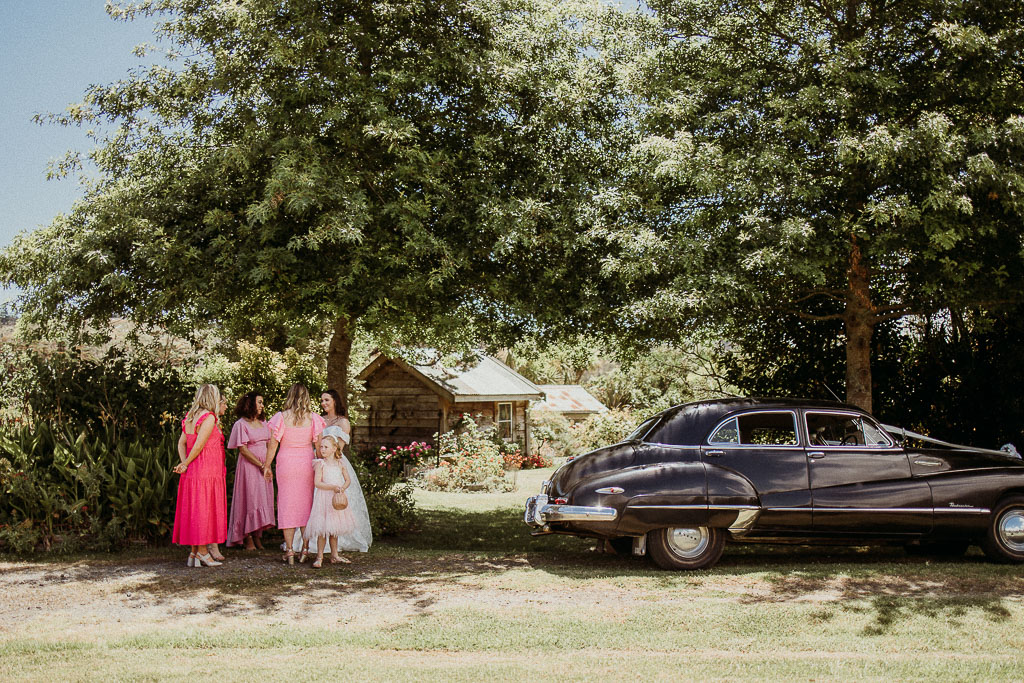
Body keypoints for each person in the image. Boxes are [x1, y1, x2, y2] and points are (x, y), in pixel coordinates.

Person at [264, 383, 325, 564]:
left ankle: (290, 550)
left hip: (286, 463)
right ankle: (305, 549)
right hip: (306, 462)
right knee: (306, 506)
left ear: (290, 396)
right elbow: (319, 448)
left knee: (287, 505)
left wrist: (267, 465)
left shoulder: (281, 418)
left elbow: (273, 445)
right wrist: (322, 466)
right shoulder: (314, 419)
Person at [172, 384, 228, 567]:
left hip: (194, 471)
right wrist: (185, 463)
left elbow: (181, 443)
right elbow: (198, 445)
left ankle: (194, 553)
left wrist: (185, 463)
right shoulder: (208, 418)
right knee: (204, 511)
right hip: (205, 471)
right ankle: (203, 552)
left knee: (196, 510)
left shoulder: (190, 417)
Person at [226, 392, 275, 550]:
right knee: (250, 498)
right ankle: (246, 537)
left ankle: (257, 535)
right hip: (249, 467)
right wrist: (260, 465)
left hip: (264, 467)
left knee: (262, 498)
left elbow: (269, 445)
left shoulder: (263, 423)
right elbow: (243, 449)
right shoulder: (241, 424)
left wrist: (267, 465)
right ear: (251, 404)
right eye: (259, 402)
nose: (262, 405)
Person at [321, 424, 372, 555]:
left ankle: (337, 548)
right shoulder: (320, 420)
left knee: (338, 511)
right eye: (322, 401)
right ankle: (321, 552)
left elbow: (340, 447)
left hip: (334, 464)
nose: (323, 402)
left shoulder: (342, 422)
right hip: (325, 480)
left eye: (327, 400)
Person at [305, 434, 355, 567]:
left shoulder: (340, 464)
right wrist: (333, 487)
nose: (322, 449)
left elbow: (348, 480)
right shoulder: (320, 464)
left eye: (326, 447)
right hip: (324, 499)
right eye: (321, 447)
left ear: (334, 448)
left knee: (334, 528)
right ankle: (319, 556)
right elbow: (317, 483)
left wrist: (342, 489)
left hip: (335, 499)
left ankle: (334, 555)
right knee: (322, 529)